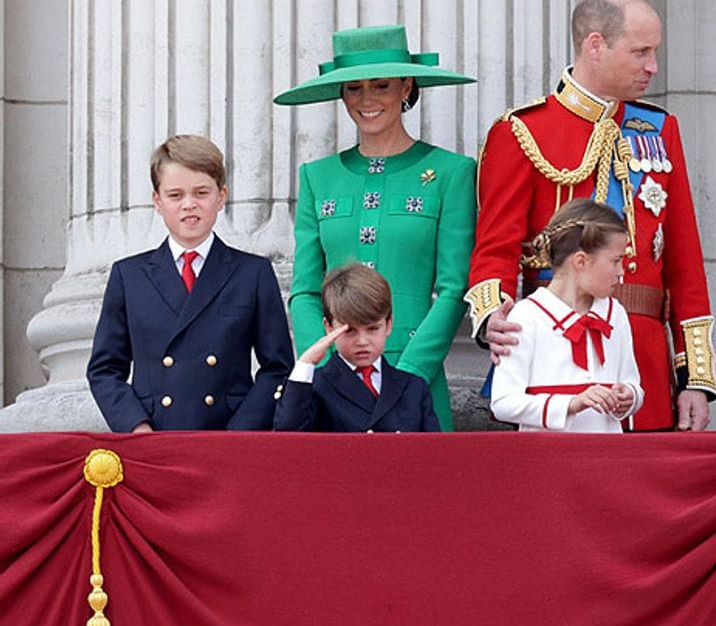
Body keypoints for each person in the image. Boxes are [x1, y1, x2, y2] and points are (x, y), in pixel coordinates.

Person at [467, 0, 715, 432]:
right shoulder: (522, 131)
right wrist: (493, 318)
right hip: (555, 357)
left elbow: (685, 262)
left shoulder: (661, 130)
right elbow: (495, 247)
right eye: (641, 51)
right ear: (595, 45)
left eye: (654, 51)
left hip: (643, 367)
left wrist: (694, 375)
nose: (652, 66)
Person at [274, 25, 477, 431]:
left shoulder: (452, 173)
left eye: (381, 85)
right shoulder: (317, 176)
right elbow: (305, 289)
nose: (366, 99)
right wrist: (332, 366)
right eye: (353, 88)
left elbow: (455, 287)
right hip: (334, 385)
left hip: (416, 374)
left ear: (406, 87)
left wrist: (411, 372)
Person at [88, 135, 294, 432]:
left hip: (228, 437)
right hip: (154, 436)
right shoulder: (129, 276)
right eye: (175, 195)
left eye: (201, 193)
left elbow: (278, 367)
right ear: (157, 201)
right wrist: (136, 426)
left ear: (221, 197)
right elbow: (104, 369)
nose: (189, 205)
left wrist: (241, 432)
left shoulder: (253, 273)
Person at [489, 200, 643, 432]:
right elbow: (503, 402)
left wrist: (630, 396)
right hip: (548, 460)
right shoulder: (527, 316)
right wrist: (570, 404)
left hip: (608, 458)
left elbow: (632, 382)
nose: (621, 272)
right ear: (581, 261)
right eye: (616, 261)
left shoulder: (616, 314)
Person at [274, 263, 441, 433]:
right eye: (350, 330)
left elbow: (432, 452)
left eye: (373, 328)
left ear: (389, 324)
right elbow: (288, 434)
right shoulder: (316, 386)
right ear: (329, 327)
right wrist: (305, 363)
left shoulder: (413, 387)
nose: (362, 341)